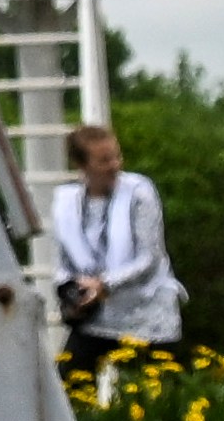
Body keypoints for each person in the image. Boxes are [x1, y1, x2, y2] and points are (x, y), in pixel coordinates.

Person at [57, 121, 182, 364]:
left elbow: (149, 258)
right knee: (67, 387)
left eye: (116, 156)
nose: (114, 165)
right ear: (82, 165)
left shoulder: (139, 192)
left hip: (147, 317)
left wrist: (104, 284)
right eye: (104, 160)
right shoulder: (70, 202)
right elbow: (67, 259)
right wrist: (72, 291)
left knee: (152, 396)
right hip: (97, 319)